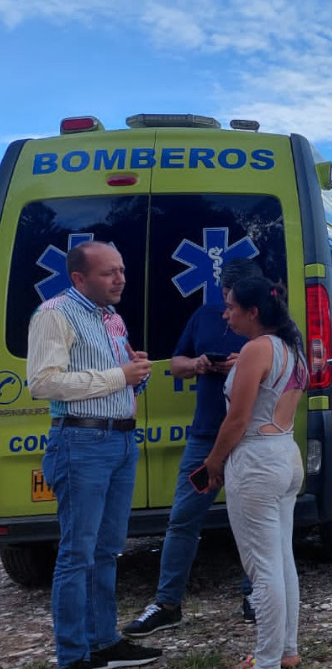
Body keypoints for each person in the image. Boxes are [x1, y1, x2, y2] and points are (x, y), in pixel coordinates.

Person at [27, 240, 161, 669]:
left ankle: (104, 642)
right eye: (108, 273)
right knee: (77, 554)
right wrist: (117, 377)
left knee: (108, 549)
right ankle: (71, 663)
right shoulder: (55, 313)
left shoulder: (112, 318)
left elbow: (119, 372)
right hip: (81, 442)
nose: (120, 278)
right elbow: (42, 382)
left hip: (120, 439)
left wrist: (134, 374)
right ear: (79, 278)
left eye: (121, 270)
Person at [123, 258, 262, 638]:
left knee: (251, 520)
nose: (228, 305)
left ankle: (256, 594)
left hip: (251, 436)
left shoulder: (267, 325)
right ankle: (167, 604)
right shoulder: (204, 316)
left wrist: (244, 364)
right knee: (182, 518)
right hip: (204, 435)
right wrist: (198, 364)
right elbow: (175, 364)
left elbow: (286, 372)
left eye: (235, 299)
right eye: (227, 296)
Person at [202, 276, 308, 669]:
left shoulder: (255, 349)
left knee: (262, 568)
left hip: (254, 460)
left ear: (254, 311)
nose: (225, 313)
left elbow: (238, 418)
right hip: (285, 453)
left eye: (230, 306)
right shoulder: (290, 348)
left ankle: (266, 664)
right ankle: (285, 648)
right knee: (282, 560)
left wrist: (213, 461)